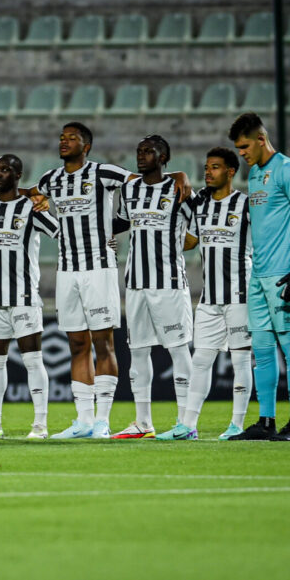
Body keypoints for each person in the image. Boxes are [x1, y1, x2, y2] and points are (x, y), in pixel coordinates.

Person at [0, 122, 189, 440]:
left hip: (99, 268)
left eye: (72, 138)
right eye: (61, 137)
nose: (64, 141)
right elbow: (21, 194)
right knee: (77, 344)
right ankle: (83, 420)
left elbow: (143, 182)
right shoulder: (51, 178)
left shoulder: (104, 173)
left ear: (86, 146)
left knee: (104, 343)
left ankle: (102, 420)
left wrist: (177, 176)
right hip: (67, 271)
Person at [227, 112, 290, 442]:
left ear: (261, 140)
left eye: (245, 146)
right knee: (262, 350)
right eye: (238, 148)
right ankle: (266, 421)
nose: (242, 154)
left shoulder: (288, 170)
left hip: (285, 274)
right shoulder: (253, 175)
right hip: (259, 274)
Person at [156, 147, 253, 441]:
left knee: (240, 361)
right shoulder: (202, 205)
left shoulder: (246, 205)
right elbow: (189, 241)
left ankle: (237, 424)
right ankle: (187, 426)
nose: (208, 172)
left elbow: (262, 244)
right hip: (209, 298)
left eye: (215, 167)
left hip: (240, 294)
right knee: (201, 361)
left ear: (231, 172)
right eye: (206, 167)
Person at [0, 155, 59, 439]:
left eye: (6, 170)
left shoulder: (31, 207)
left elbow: (59, 232)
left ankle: (40, 425)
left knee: (32, 360)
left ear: (18, 175)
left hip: (24, 297)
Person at [111, 135, 197, 440]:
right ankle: (143, 422)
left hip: (169, 283)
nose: (142, 155)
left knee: (178, 349)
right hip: (135, 283)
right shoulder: (129, 188)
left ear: (164, 157)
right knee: (138, 351)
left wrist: (171, 248)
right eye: (139, 151)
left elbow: (198, 230)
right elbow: (119, 222)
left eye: (149, 151)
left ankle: (186, 422)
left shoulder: (180, 189)